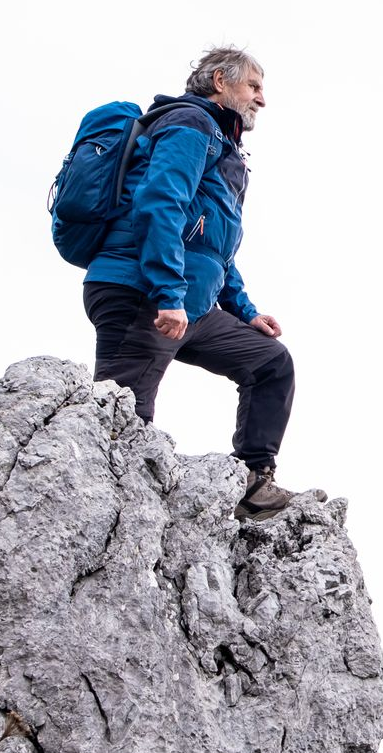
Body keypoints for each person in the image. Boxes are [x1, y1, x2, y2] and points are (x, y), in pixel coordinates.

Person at [83, 46, 326, 520]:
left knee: (269, 363)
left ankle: (253, 483)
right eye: (254, 86)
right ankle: (101, 520)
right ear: (220, 81)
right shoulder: (190, 125)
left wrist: (246, 311)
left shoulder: (223, 145)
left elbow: (214, 251)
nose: (261, 99)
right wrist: (167, 294)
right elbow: (160, 205)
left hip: (187, 303)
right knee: (120, 424)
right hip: (142, 293)